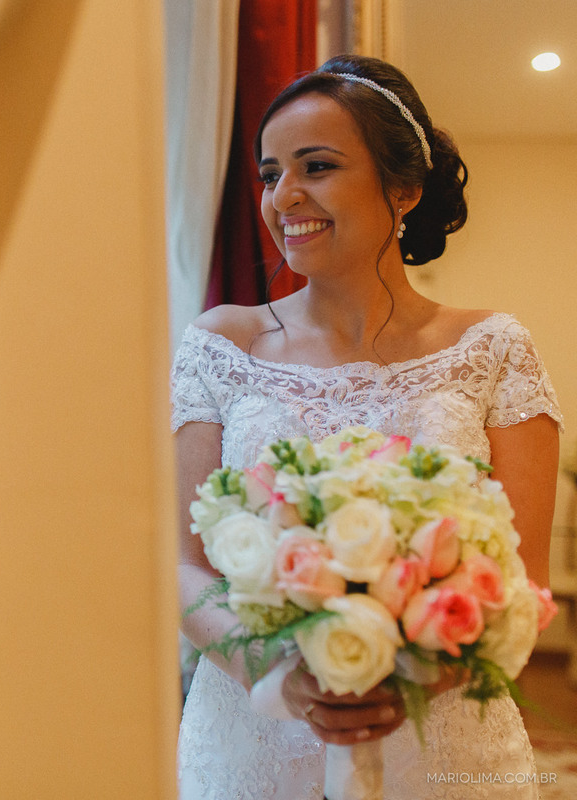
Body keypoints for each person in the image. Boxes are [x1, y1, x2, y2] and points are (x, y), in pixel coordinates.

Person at [171, 54, 564, 799]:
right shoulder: (223, 345)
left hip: (442, 739)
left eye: (316, 166)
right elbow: (185, 569)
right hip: (254, 739)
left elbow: (524, 585)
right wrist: (285, 682)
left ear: (404, 188)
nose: (285, 195)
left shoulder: (493, 348)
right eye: (269, 173)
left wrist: (395, 685)